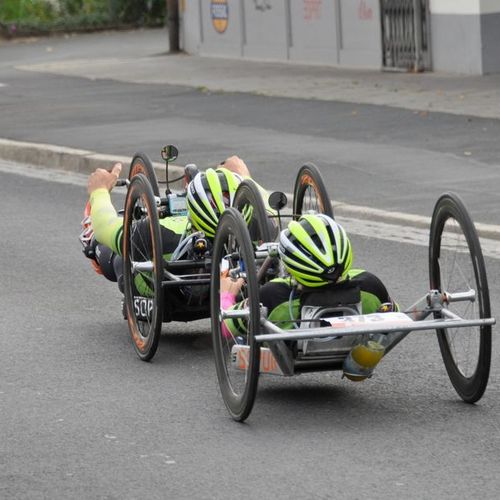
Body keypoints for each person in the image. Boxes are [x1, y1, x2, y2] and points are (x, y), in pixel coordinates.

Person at [220, 213, 398, 380]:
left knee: (246, 324)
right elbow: (393, 313)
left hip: (288, 351)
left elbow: (226, 328)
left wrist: (227, 295)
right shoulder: (371, 286)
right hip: (355, 348)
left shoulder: (273, 295)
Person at [80, 156, 251, 294]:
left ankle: (92, 237)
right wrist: (243, 175)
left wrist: (99, 191)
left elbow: (106, 227)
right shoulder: (258, 225)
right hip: (214, 283)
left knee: (112, 247)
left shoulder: (158, 232)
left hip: (157, 276)